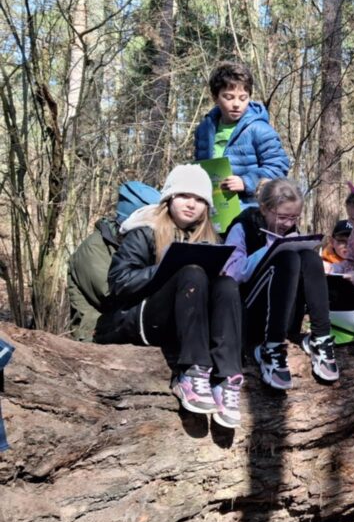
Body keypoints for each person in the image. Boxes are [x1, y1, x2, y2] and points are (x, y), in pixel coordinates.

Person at [96, 165, 245, 429]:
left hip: (189, 322)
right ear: (169, 198)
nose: (192, 204)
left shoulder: (212, 237)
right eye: (184, 196)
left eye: (200, 199)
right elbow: (118, 283)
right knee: (191, 273)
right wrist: (164, 270)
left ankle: (226, 379)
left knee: (226, 285)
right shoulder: (144, 231)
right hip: (144, 318)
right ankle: (192, 373)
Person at [222, 178, 338, 390]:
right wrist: (269, 252)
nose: (287, 223)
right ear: (265, 208)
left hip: (286, 314)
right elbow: (232, 274)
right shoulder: (243, 227)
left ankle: (320, 339)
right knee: (287, 259)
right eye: (282, 217)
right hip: (252, 315)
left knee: (310, 258)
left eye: (293, 217)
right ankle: (271, 347)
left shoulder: (291, 229)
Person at [68, 181, 161, 342]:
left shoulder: (136, 246)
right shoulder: (94, 248)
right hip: (96, 334)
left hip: (128, 325)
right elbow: (114, 296)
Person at [193, 60, 290, 208]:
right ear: (215, 97)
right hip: (213, 208)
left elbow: (279, 167)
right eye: (229, 97)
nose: (237, 104)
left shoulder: (259, 129)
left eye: (243, 98)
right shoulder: (204, 129)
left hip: (249, 209)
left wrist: (246, 182)